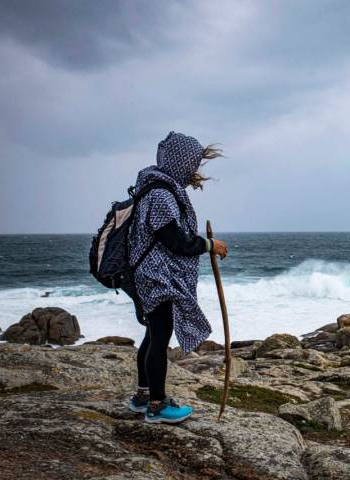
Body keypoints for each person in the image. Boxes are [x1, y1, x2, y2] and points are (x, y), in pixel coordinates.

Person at [127, 131, 228, 424]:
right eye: (192, 163)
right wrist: (210, 245)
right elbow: (176, 242)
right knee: (159, 338)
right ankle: (157, 406)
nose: (194, 170)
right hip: (156, 278)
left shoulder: (157, 187)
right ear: (180, 161)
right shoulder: (160, 194)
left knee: (153, 334)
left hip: (150, 275)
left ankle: (143, 396)